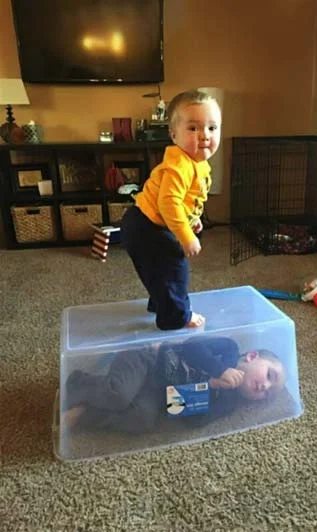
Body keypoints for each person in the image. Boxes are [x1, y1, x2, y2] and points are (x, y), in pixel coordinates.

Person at [121, 89, 222, 330]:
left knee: (159, 270)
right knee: (175, 269)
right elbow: (169, 203)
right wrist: (186, 237)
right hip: (146, 226)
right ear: (173, 134)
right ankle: (175, 318)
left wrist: (192, 219)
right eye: (193, 128)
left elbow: (188, 199)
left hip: (149, 223)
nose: (204, 135)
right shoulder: (179, 165)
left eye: (212, 128)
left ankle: (161, 303)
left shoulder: (198, 163)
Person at [62, 336, 286, 434]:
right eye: (269, 375)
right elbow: (192, 346)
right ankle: (80, 383)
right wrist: (219, 370)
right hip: (149, 359)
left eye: (267, 393)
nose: (265, 387)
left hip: (157, 392)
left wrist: (210, 387)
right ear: (252, 356)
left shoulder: (228, 402)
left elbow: (192, 419)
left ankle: (84, 413)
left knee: (143, 420)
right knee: (119, 394)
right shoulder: (229, 349)